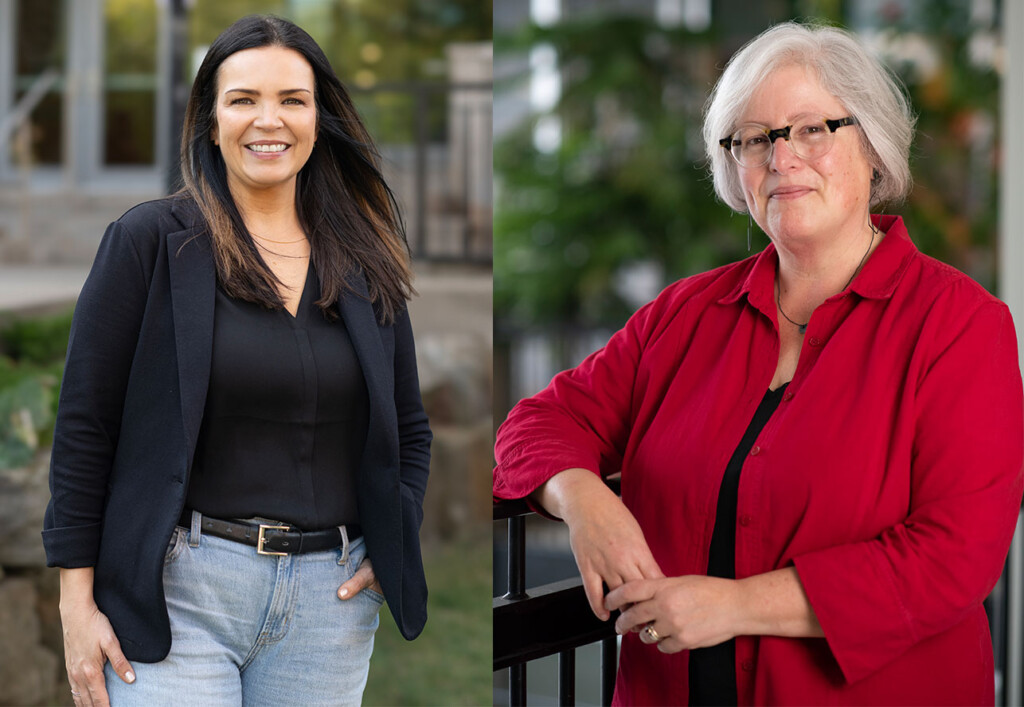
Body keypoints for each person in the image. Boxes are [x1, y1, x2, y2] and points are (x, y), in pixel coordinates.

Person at [494, 20, 1022, 705]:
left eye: (812, 129)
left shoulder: (960, 325)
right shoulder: (684, 314)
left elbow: (954, 557)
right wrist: (585, 501)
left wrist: (735, 605)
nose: (782, 157)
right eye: (755, 137)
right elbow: (536, 423)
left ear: (874, 148)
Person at [43, 15, 431, 706]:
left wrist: (393, 540)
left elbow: (408, 425)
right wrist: (76, 601)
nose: (268, 120)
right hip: (178, 596)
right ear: (211, 121)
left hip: (328, 605)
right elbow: (84, 428)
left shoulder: (365, 259)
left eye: (292, 99)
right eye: (243, 99)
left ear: (320, 118)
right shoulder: (148, 242)